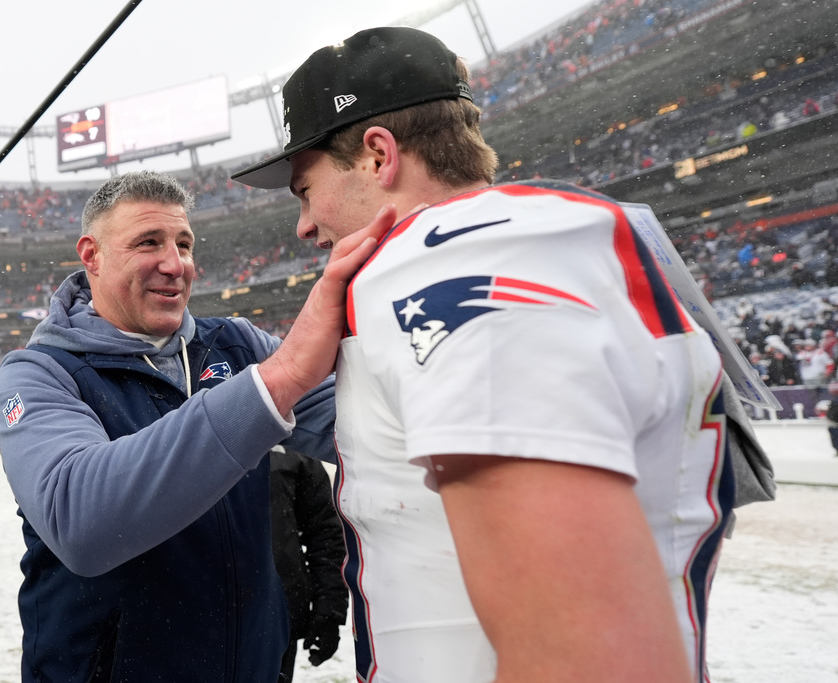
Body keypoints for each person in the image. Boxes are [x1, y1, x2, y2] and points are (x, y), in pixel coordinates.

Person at [233, 26, 739, 683]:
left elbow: (588, 659)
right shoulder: (531, 240)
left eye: (306, 190)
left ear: (378, 155)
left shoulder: (451, 265)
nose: (304, 225)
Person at [0, 170, 391, 682]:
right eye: (148, 243)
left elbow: (370, 426)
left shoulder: (238, 346)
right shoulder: (37, 373)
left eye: (184, 243)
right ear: (91, 255)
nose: (174, 264)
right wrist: (275, 381)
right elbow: (80, 520)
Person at [269, 446, 348, 682]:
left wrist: (329, 611)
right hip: (195, 619)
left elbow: (325, 531)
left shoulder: (290, 440)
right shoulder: (178, 426)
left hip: (277, 617)